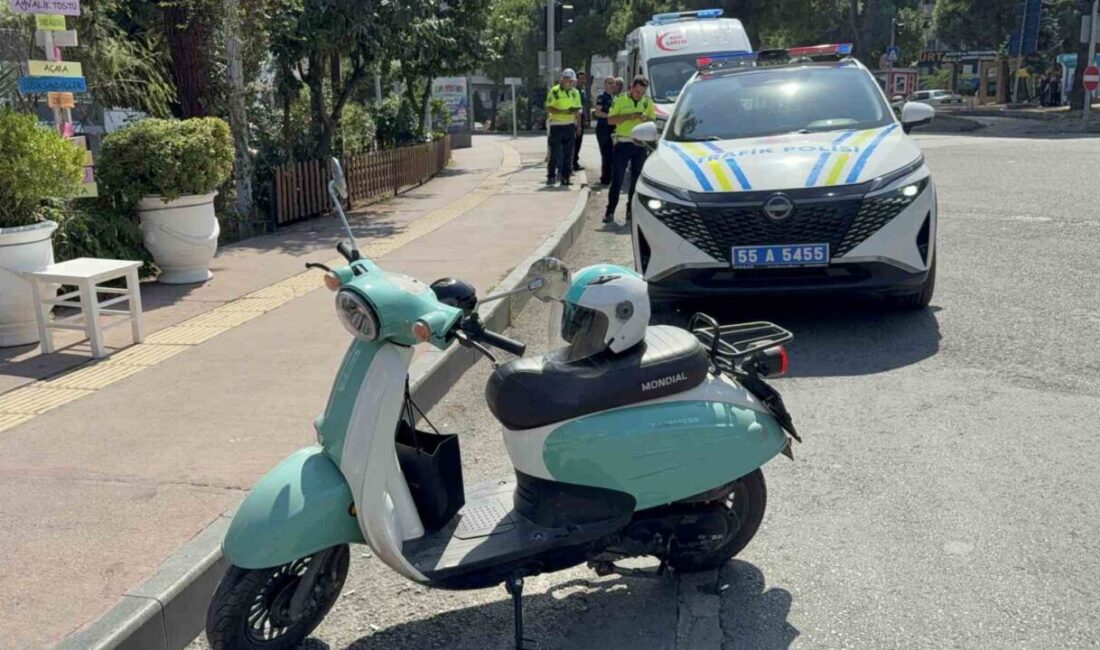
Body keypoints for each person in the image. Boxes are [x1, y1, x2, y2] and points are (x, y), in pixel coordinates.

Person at [604, 75, 655, 224]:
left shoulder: (647, 102)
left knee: (636, 180)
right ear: (631, 88)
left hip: (640, 145)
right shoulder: (620, 100)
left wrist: (647, 119)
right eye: (637, 91)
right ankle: (610, 210)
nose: (639, 95)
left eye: (642, 92)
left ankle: (630, 210)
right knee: (618, 179)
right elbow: (610, 120)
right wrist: (628, 116)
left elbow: (653, 121)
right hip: (623, 143)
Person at [545, 69, 582, 186]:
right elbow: (549, 108)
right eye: (567, 79)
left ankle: (565, 177)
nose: (569, 82)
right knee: (555, 153)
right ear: (562, 79)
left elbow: (578, 109)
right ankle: (551, 176)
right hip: (556, 125)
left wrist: (578, 124)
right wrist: (564, 111)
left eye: (571, 80)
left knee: (568, 153)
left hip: (570, 125)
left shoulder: (575, 92)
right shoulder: (554, 91)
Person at [593, 76, 617, 186]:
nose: (612, 85)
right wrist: (609, 116)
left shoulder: (615, 98)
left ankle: (611, 176)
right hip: (603, 129)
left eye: (613, 83)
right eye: (609, 83)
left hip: (613, 128)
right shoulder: (602, 97)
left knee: (613, 154)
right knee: (606, 154)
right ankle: (605, 178)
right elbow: (597, 112)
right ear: (605, 85)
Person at [573, 71, 589, 172]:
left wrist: (586, 118)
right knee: (574, 142)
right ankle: (572, 162)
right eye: (580, 78)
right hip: (575, 118)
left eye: (584, 78)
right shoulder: (574, 91)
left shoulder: (583, 91)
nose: (582, 80)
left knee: (579, 142)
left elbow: (584, 106)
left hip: (582, 117)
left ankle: (575, 161)